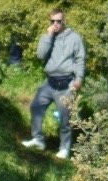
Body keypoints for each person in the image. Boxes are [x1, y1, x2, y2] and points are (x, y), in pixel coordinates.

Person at [21, 8, 82, 159]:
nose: (55, 24)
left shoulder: (74, 38)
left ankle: (64, 148)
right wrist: (49, 35)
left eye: (58, 21)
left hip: (66, 84)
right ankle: (38, 140)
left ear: (64, 21)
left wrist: (79, 78)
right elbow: (40, 55)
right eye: (52, 21)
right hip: (49, 83)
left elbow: (80, 59)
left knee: (65, 119)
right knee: (36, 107)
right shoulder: (48, 36)